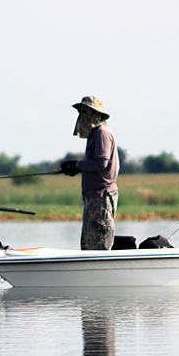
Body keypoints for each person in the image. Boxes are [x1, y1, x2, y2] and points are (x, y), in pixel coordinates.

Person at [61, 96, 120, 250]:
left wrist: (77, 165)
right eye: (81, 111)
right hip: (93, 195)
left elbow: (102, 163)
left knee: (98, 244)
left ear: (95, 113)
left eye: (86, 110)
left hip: (102, 195)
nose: (82, 114)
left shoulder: (102, 132)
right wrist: (76, 168)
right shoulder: (95, 133)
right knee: (88, 244)